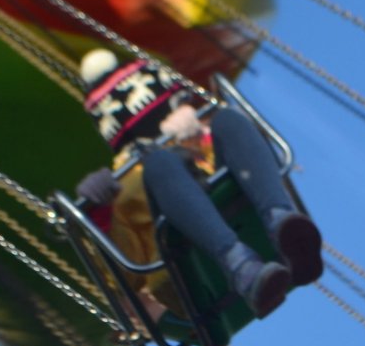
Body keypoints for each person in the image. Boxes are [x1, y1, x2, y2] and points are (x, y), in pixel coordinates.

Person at [74, 48, 323, 321]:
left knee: (230, 120)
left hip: (242, 228)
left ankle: (282, 225)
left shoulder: (209, 137)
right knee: (161, 164)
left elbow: (250, 154)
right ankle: (239, 264)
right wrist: (100, 216)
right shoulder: (126, 185)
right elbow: (124, 278)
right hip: (193, 278)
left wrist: (195, 140)